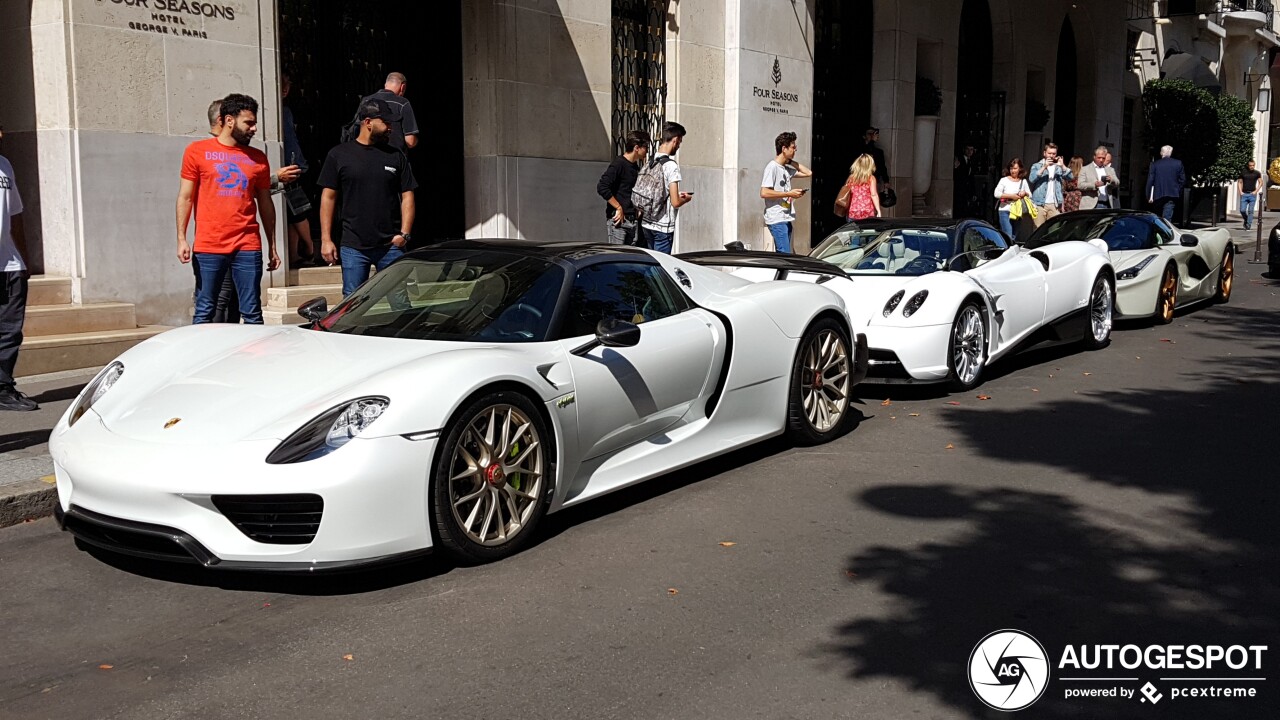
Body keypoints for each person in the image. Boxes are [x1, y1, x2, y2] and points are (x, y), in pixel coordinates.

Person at [177, 93, 280, 325]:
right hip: (209, 245)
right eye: (249, 123)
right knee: (205, 308)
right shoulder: (197, 151)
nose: (254, 129)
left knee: (252, 311)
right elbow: (185, 197)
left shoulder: (258, 158)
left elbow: (265, 203)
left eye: (255, 123)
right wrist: (181, 238)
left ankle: (251, 360)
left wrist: (272, 245)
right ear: (229, 120)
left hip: (248, 244)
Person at [318, 98, 418, 298]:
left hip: (390, 245)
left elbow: (408, 196)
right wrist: (326, 239)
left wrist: (404, 234)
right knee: (351, 303)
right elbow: (328, 198)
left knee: (399, 303)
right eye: (386, 122)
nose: (391, 128)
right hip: (354, 245)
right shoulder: (339, 155)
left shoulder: (396, 156)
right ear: (368, 122)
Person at [0, 148, 36, 411]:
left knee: (10, 332)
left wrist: (23, 257)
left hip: (9, 264)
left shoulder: (5, 165)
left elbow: (15, 214)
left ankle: (2, 389)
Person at [639, 122, 692, 254]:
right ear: (675, 140)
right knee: (661, 268)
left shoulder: (650, 161)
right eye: (679, 142)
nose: (679, 146)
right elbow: (675, 202)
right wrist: (686, 199)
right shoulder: (671, 166)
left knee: (651, 264)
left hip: (647, 223)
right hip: (663, 228)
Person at [281, 72, 315, 266]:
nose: (285, 91)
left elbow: (291, 141)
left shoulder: (285, 111)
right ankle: (298, 253)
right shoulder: (282, 111)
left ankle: (308, 248)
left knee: (296, 210)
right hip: (289, 166)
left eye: (288, 87)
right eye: (283, 86)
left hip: (293, 167)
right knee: (293, 213)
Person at [760, 131, 813, 253]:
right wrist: (789, 194)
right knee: (785, 255)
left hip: (786, 217)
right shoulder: (772, 167)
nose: (795, 151)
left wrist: (790, 161)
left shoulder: (785, 169)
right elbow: (764, 192)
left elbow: (808, 173)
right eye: (793, 148)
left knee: (786, 255)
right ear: (784, 148)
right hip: (776, 218)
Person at [596, 129, 649, 245]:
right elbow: (602, 187)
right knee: (617, 258)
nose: (647, 151)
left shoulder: (635, 167)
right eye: (645, 147)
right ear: (636, 148)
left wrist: (637, 209)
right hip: (619, 223)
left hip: (632, 221)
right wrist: (618, 207)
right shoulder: (619, 164)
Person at [350, 72, 418, 152]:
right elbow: (410, 141)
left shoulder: (366, 100)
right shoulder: (403, 103)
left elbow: (356, 130)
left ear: (386, 84)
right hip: (393, 157)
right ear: (403, 87)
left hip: (366, 155)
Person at [1028, 143, 1073, 227]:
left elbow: (1070, 177)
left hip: (1054, 203)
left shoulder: (1058, 167)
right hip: (1039, 203)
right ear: (1044, 153)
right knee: (1038, 228)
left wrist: (1063, 166)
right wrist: (1044, 167)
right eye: (1049, 153)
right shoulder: (1037, 166)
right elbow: (1032, 179)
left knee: (1054, 229)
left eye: (1054, 154)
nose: (1051, 156)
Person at [1146, 145, 1186, 223]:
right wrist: (1177, 190)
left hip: (1157, 194)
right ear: (1170, 153)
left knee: (1157, 218)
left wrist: (1148, 195)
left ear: (1161, 153)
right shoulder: (1178, 163)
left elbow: (1150, 180)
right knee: (1167, 219)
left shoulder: (1155, 164)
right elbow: (1183, 180)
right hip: (1172, 194)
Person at [993, 158, 1030, 239]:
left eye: (1015, 168)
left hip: (1017, 211)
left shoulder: (1023, 181)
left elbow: (1030, 195)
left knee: (1014, 236)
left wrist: (1024, 193)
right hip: (1005, 210)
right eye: (1011, 168)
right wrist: (1011, 196)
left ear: (1020, 169)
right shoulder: (1004, 180)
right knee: (1008, 235)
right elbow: (996, 193)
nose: (1013, 171)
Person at [1078, 146, 1119, 211]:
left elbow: (1117, 182)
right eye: (1099, 158)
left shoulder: (1110, 170)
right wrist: (1094, 185)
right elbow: (1080, 185)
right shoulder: (1085, 169)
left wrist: (1111, 180)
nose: (1101, 160)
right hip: (1090, 206)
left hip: (1106, 204)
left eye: (1103, 158)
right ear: (1094, 157)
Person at [844, 154, 881, 221]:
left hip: (852, 211)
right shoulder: (871, 178)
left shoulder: (851, 178)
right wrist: (878, 210)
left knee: (853, 230)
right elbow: (874, 195)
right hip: (867, 211)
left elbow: (846, 192)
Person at [953, 144, 978, 217]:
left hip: (967, 190)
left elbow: (971, 178)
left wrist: (973, 192)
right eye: (968, 149)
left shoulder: (972, 161)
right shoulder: (959, 159)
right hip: (959, 189)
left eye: (971, 149)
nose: (969, 151)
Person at [1238, 159, 1262, 230]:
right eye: (1250, 165)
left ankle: (1248, 224)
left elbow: (1261, 182)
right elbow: (1239, 182)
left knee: (1250, 211)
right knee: (1242, 210)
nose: (1252, 167)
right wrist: (1240, 192)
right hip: (1244, 194)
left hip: (1252, 194)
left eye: (1253, 165)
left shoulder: (1257, 173)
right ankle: (1246, 220)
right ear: (1248, 165)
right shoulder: (1243, 172)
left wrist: (1256, 191)